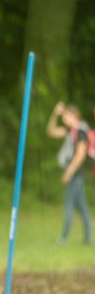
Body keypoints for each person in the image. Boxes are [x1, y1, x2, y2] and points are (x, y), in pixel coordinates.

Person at [46, 102, 92, 245]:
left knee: (69, 206)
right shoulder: (71, 131)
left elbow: (80, 155)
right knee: (82, 206)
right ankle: (89, 237)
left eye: (66, 115)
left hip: (75, 175)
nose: (64, 118)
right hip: (75, 174)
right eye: (64, 115)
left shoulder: (80, 132)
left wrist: (69, 172)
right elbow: (51, 131)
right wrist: (55, 113)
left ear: (75, 116)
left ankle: (64, 238)